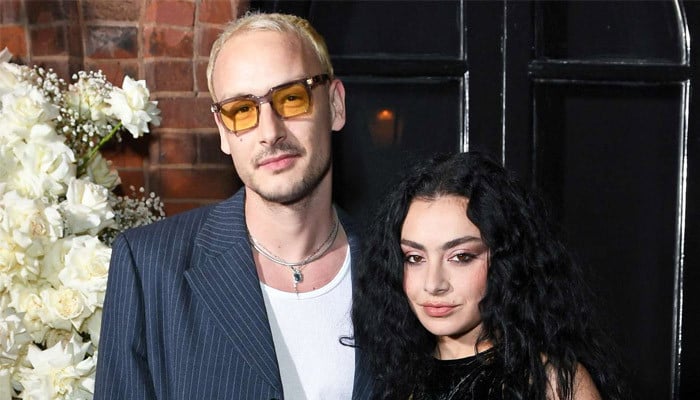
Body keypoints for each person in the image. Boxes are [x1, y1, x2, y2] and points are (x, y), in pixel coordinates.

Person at [95, 11, 373, 399]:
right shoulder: (149, 267)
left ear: (336, 105)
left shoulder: (396, 267)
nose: (270, 132)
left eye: (292, 98)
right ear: (223, 132)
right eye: (242, 110)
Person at [351, 152, 628, 400]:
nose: (433, 284)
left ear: (505, 260)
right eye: (414, 258)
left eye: (461, 257)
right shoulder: (394, 382)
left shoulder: (551, 382)